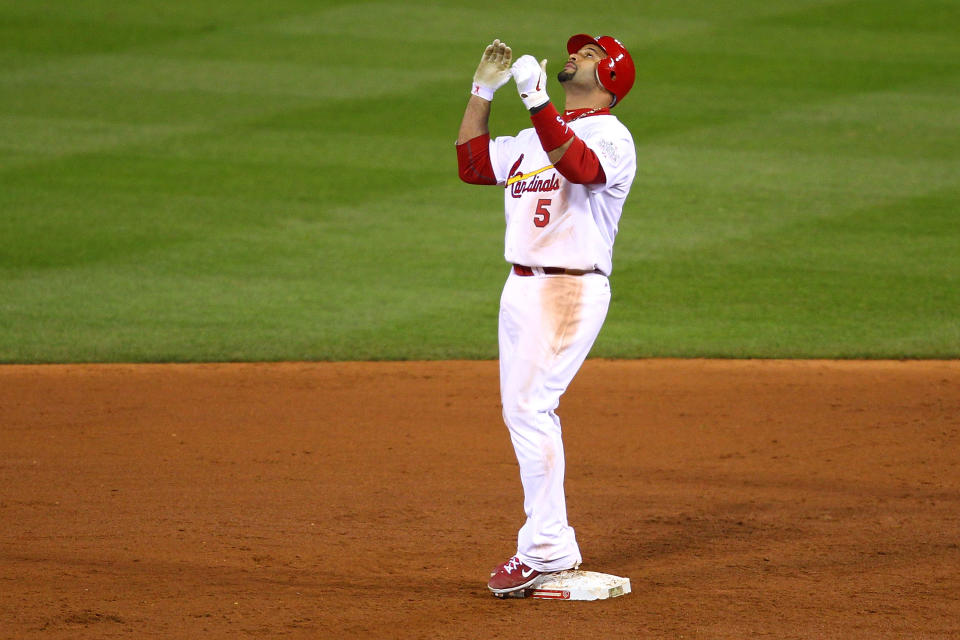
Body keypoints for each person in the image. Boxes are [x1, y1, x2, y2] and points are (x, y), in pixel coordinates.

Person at [455, 34, 637, 596]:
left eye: (587, 55)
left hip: (568, 290)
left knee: (532, 409)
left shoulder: (611, 136)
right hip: (520, 288)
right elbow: (473, 163)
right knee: (522, 411)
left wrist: (535, 99)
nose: (575, 56)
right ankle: (549, 544)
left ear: (607, 77)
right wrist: (482, 90)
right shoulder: (537, 138)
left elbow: (579, 168)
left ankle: (547, 549)